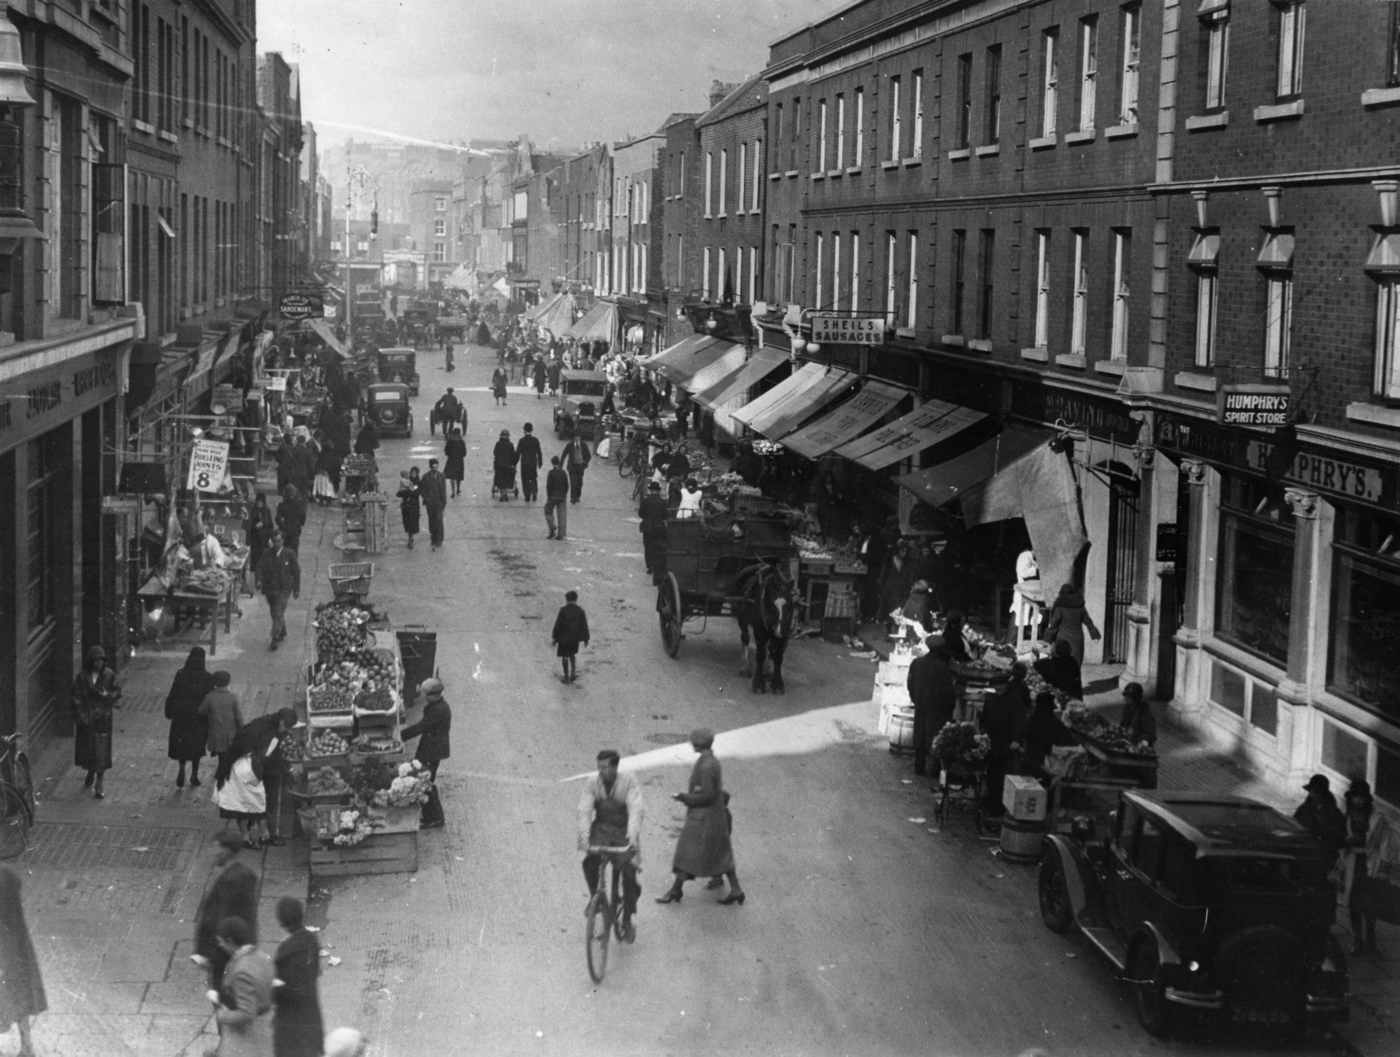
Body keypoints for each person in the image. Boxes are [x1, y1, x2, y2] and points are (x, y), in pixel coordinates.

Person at [656, 728, 744, 906]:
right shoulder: (711, 761)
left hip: (703, 819)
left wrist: (684, 798)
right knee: (721, 854)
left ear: (696, 744)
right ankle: (735, 889)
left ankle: (676, 890)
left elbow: (707, 796)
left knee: (686, 853)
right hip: (715, 817)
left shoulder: (705, 766)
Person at [577, 749, 643, 936]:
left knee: (629, 871)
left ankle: (629, 916)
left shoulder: (628, 781)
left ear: (615, 767)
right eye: (599, 767)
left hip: (623, 832)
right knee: (589, 862)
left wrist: (631, 837)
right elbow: (584, 810)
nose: (601, 771)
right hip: (602, 829)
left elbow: (636, 810)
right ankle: (595, 898)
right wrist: (584, 837)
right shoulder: (592, 783)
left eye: (605, 767)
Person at [193, 832, 259, 990]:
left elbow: (218, 918)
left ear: (226, 851)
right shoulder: (242, 874)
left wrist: (206, 953)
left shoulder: (231, 880)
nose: (212, 854)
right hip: (235, 947)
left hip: (224, 951)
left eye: (215, 848)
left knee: (221, 993)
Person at [209, 915, 275, 1057]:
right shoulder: (261, 956)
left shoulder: (242, 972)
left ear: (230, 941)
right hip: (266, 1024)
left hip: (248, 1033)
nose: (220, 945)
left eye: (221, 942)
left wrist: (222, 1015)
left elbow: (246, 1013)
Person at [0, 865, 46, 1057]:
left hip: (3, 946)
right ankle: (27, 1045)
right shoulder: (7, 875)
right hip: (17, 946)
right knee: (21, 996)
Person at [236, 708, 297, 846]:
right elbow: (267, 755)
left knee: (261, 801)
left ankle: (264, 835)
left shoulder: (272, 728)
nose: (287, 730)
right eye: (287, 727)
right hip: (247, 764)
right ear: (281, 722)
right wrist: (286, 769)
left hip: (257, 764)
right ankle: (246, 837)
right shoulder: (267, 732)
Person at [273, 897, 324, 1057]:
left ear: (281, 922)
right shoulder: (311, 939)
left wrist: (275, 986)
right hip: (311, 1015)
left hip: (291, 1022)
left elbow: (289, 990)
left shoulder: (285, 950)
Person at [979, 661, 1031, 813]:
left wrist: (1016, 740)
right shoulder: (991, 699)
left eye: (1000, 686)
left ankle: (999, 804)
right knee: (992, 772)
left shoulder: (1014, 699)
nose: (998, 689)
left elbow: (1019, 720)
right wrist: (983, 733)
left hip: (1007, 742)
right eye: (996, 687)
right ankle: (991, 800)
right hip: (993, 740)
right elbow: (985, 718)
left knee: (1003, 773)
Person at [72, 645, 121, 799]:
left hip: (102, 719)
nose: (98, 664)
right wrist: (82, 715)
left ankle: (99, 782)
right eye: (95, 661)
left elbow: (117, 692)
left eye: (101, 661)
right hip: (88, 718)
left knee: (101, 750)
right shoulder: (82, 677)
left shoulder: (109, 675)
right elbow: (76, 696)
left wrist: (108, 696)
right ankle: (91, 770)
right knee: (89, 749)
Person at [401, 678, 451, 830]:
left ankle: (435, 818)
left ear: (433, 695)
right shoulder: (437, 705)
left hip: (432, 750)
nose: (424, 697)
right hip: (431, 748)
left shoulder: (438, 710)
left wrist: (402, 736)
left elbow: (422, 726)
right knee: (425, 781)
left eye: (426, 694)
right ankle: (431, 816)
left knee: (426, 782)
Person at [166, 646, 217, 789]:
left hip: (181, 715)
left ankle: (182, 766)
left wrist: (169, 710)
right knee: (197, 745)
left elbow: (173, 692)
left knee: (182, 743)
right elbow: (210, 698)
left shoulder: (181, 674)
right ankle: (194, 774)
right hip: (199, 717)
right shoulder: (207, 677)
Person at [906, 640, 957, 777]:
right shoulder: (943, 668)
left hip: (921, 704)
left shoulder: (917, 663)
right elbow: (948, 691)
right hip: (936, 708)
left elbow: (910, 684)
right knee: (933, 736)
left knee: (919, 733)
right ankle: (933, 770)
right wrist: (949, 707)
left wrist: (915, 699)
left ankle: (919, 765)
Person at [213, 729, 269, 848]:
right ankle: (263, 835)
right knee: (259, 812)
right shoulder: (250, 762)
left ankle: (246, 837)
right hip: (251, 794)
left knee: (242, 813)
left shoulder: (232, 761)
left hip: (239, 795)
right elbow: (255, 781)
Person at [1343, 779, 1378, 955]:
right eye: (1355, 797)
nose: (1358, 801)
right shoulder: (1348, 814)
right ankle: (1357, 941)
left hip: (1369, 864)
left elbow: (1377, 840)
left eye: (1361, 797)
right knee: (1353, 904)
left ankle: (1371, 942)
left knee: (1371, 905)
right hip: (1352, 863)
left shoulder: (1375, 817)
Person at [255, 530, 301, 650]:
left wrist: (296, 589)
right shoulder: (267, 554)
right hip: (270, 590)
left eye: (279, 541)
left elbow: (296, 572)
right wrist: (259, 580)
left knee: (278, 612)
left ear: (283, 541)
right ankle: (282, 630)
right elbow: (259, 567)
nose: (277, 544)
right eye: (275, 541)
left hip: (284, 589)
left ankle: (274, 637)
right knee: (275, 612)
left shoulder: (289, 554)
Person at [1295, 774, 1348, 873]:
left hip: (1324, 854)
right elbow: (1295, 822)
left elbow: (1339, 834)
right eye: (1312, 792)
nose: (1313, 794)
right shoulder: (1304, 808)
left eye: (1316, 792)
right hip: (1305, 850)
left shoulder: (1333, 812)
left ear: (1323, 794)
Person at [1021, 691, 1077, 778]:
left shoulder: (1031, 719)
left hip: (1031, 760)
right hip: (1046, 762)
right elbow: (1066, 738)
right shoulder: (1052, 721)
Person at [1044, 583, 1102, 664]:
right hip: (1077, 640)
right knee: (1076, 664)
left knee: (1062, 665)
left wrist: (1048, 640)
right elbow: (1088, 622)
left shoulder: (1060, 607)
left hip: (1063, 641)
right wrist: (1094, 635)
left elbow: (1054, 625)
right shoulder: (1080, 606)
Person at [551, 589, 590, 684]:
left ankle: (566, 676)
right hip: (574, 638)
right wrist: (586, 638)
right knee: (572, 654)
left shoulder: (563, 610)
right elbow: (584, 625)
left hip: (563, 638)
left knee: (564, 656)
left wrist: (555, 638)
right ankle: (573, 673)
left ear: (566, 599)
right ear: (576, 599)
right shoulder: (580, 611)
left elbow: (558, 625)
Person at [638, 480, 669, 579]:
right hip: (659, 528)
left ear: (650, 490)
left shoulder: (645, 501)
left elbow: (641, 514)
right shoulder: (663, 502)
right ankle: (656, 565)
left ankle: (649, 566)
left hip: (647, 527)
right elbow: (665, 515)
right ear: (658, 491)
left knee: (648, 547)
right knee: (658, 547)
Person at [419, 458, 448, 550]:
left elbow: (443, 490)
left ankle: (439, 539)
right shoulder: (425, 477)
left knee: (439, 521)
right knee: (432, 521)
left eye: (436, 465)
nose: (434, 467)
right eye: (433, 465)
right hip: (430, 503)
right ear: (430, 466)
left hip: (439, 503)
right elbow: (421, 489)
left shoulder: (441, 476)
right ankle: (433, 538)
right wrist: (426, 498)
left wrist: (444, 502)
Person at [1118, 682, 1157, 747]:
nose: (1125, 698)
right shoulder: (1127, 708)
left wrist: (1144, 741)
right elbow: (1123, 724)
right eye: (1126, 696)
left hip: (1139, 743)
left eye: (1128, 697)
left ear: (1135, 698)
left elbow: (1150, 734)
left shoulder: (1145, 711)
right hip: (1127, 740)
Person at [245, 494, 276, 573]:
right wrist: (255, 526)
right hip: (255, 539)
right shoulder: (253, 511)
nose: (259, 504)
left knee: (264, 557)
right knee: (255, 558)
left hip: (264, 539)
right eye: (258, 502)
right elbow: (248, 526)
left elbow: (270, 525)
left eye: (261, 502)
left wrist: (271, 538)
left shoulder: (266, 511)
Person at [274, 484, 306, 552]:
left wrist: (283, 526)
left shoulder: (282, 505)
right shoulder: (299, 505)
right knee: (294, 551)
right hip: (295, 531)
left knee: (284, 552)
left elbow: (277, 519)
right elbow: (303, 518)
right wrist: (298, 525)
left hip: (284, 532)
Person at [544, 456, 569, 541]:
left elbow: (549, 486)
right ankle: (561, 535)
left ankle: (552, 529)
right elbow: (567, 485)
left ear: (552, 463)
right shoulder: (563, 472)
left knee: (548, 511)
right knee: (561, 515)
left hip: (553, 496)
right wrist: (564, 494)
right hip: (562, 496)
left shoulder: (551, 473)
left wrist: (549, 497)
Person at [516, 423, 543, 502]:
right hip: (533, 463)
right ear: (532, 430)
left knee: (525, 479)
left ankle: (527, 495)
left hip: (524, 463)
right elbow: (539, 452)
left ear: (524, 430)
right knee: (533, 478)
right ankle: (534, 493)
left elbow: (518, 453)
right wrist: (540, 462)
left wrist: (514, 461)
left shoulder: (522, 441)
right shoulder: (535, 440)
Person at [562, 434, 591, 503]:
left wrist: (585, 463)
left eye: (578, 438)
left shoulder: (584, 445)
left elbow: (588, 456)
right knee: (573, 483)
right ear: (573, 438)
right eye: (575, 438)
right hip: (572, 467)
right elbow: (564, 454)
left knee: (579, 483)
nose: (577, 439)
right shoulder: (570, 445)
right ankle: (572, 498)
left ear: (580, 438)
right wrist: (560, 465)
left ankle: (578, 496)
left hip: (580, 467)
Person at [397, 468, 421, 549]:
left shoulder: (418, 483)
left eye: (415, 473)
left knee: (412, 524)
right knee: (407, 523)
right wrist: (408, 491)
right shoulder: (405, 481)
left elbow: (416, 493)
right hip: (406, 506)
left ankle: (410, 539)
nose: (413, 474)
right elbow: (398, 493)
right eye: (412, 473)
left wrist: (407, 492)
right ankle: (410, 538)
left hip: (414, 506)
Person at [491, 429, 517, 501]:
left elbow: (495, 453)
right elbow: (513, 456)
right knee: (507, 479)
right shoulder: (510, 445)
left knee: (500, 479)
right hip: (508, 466)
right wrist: (513, 463)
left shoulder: (498, 444)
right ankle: (504, 494)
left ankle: (503, 494)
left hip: (499, 466)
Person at [444, 428, 467, 498]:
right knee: (459, 476)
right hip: (459, 461)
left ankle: (453, 491)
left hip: (451, 460)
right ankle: (458, 489)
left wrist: (450, 455)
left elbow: (446, 451)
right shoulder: (461, 442)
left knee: (452, 477)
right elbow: (464, 453)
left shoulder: (450, 441)